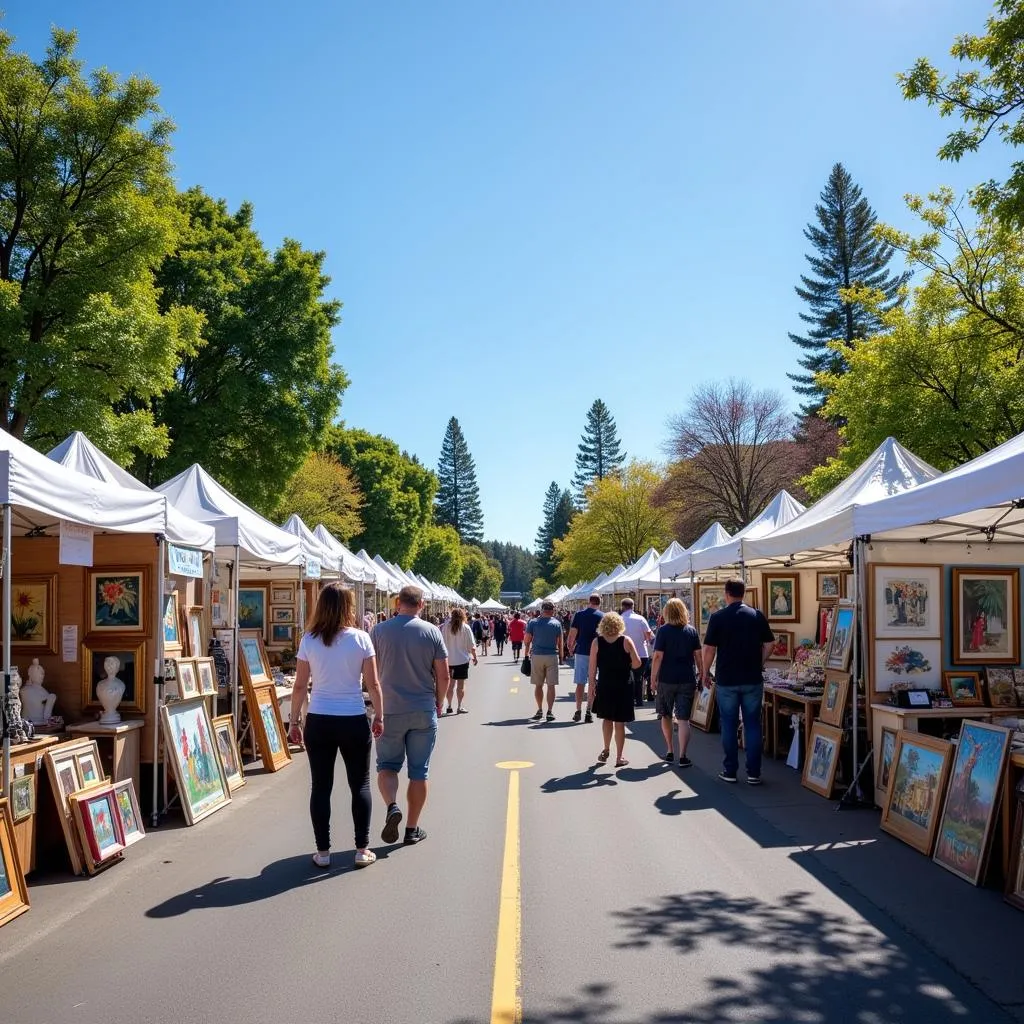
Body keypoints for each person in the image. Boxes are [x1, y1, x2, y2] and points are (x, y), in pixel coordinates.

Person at [288, 583, 384, 870]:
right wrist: (380, 715)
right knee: (360, 785)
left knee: (321, 787)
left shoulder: (309, 640)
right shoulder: (361, 639)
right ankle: (361, 848)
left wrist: (294, 720)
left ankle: (323, 851)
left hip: (319, 718)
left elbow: (300, 686)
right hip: (353, 717)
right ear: (348, 607)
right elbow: (373, 683)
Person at [370, 586, 449, 845]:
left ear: (397, 603)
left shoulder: (379, 631)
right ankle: (412, 828)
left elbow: (370, 673)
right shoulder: (432, 632)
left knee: (387, 766)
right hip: (422, 708)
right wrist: (438, 702)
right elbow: (444, 675)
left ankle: (392, 805)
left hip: (389, 709)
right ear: (422, 604)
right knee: (419, 772)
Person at [701, 578, 775, 785]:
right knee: (752, 724)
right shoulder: (756, 615)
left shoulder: (718, 617)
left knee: (729, 724)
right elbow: (770, 644)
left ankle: (730, 770)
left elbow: (709, 649)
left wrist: (705, 672)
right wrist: (759, 661)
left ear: (726, 593)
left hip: (727, 678)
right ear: (744, 593)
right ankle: (753, 772)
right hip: (752, 678)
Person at [650, 597, 701, 767]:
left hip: (667, 678)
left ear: (667, 613)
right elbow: (698, 656)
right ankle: (683, 755)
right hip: (687, 677)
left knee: (665, 714)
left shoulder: (663, 631)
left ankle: (670, 750)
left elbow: (658, 656)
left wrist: (652, 677)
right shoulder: (691, 631)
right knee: (684, 718)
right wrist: (702, 673)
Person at [587, 611, 641, 767]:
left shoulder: (597, 642)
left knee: (607, 718)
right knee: (620, 721)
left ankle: (605, 748)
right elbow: (637, 663)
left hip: (605, 684)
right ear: (619, 625)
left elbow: (592, 668)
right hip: (624, 684)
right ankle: (619, 756)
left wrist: (591, 687)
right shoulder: (626, 641)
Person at [524, 600, 563, 722]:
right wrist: (561, 657)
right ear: (552, 610)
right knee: (551, 686)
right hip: (552, 656)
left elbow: (527, 640)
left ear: (542, 610)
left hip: (537, 655)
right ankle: (550, 711)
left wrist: (526, 654)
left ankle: (540, 709)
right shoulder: (557, 623)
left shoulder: (533, 622)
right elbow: (560, 642)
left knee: (538, 685)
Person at [566, 594, 603, 723]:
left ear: (589, 601)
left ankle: (578, 710)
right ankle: (589, 710)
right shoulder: (602, 616)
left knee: (580, 682)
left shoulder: (579, 615)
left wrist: (570, 646)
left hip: (581, 652)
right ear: (600, 602)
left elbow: (573, 633)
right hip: (597, 653)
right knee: (592, 682)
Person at [620, 598, 654, 705]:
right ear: (633, 606)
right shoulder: (641, 619)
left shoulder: (620, 619)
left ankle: (628, 698)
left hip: (624, 653)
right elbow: (649, 636)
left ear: (622, 607)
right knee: (638, 677)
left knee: (625, 676)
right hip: (641, 653)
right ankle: (639, 700)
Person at [443, 607, 477, 714]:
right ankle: (459, 706)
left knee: (450, 685)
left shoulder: (445, 627)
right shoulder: (465, 628)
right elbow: (471, 645)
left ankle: (448, 705)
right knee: (460, 685)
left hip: (449, 660)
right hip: (462, 661)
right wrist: (475, 657)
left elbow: (442, 643)